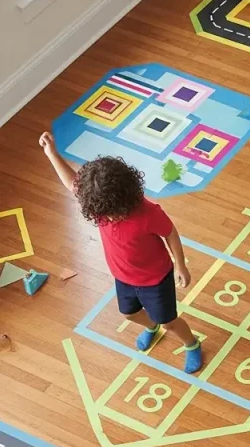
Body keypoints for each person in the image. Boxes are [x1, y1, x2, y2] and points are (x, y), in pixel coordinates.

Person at [38, 133, 202, 373]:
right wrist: (52, 154)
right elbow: (71, 183)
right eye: (105, 213)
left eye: (114, 212)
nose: (110, 218)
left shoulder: (148, 213)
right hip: (123, 276)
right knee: (129, 314)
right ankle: (151, 326)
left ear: (126, 198)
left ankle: (192, 344)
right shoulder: (100, 204)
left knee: (169, 322)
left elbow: (170, 233)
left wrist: (180, 265)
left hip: (155, 279)